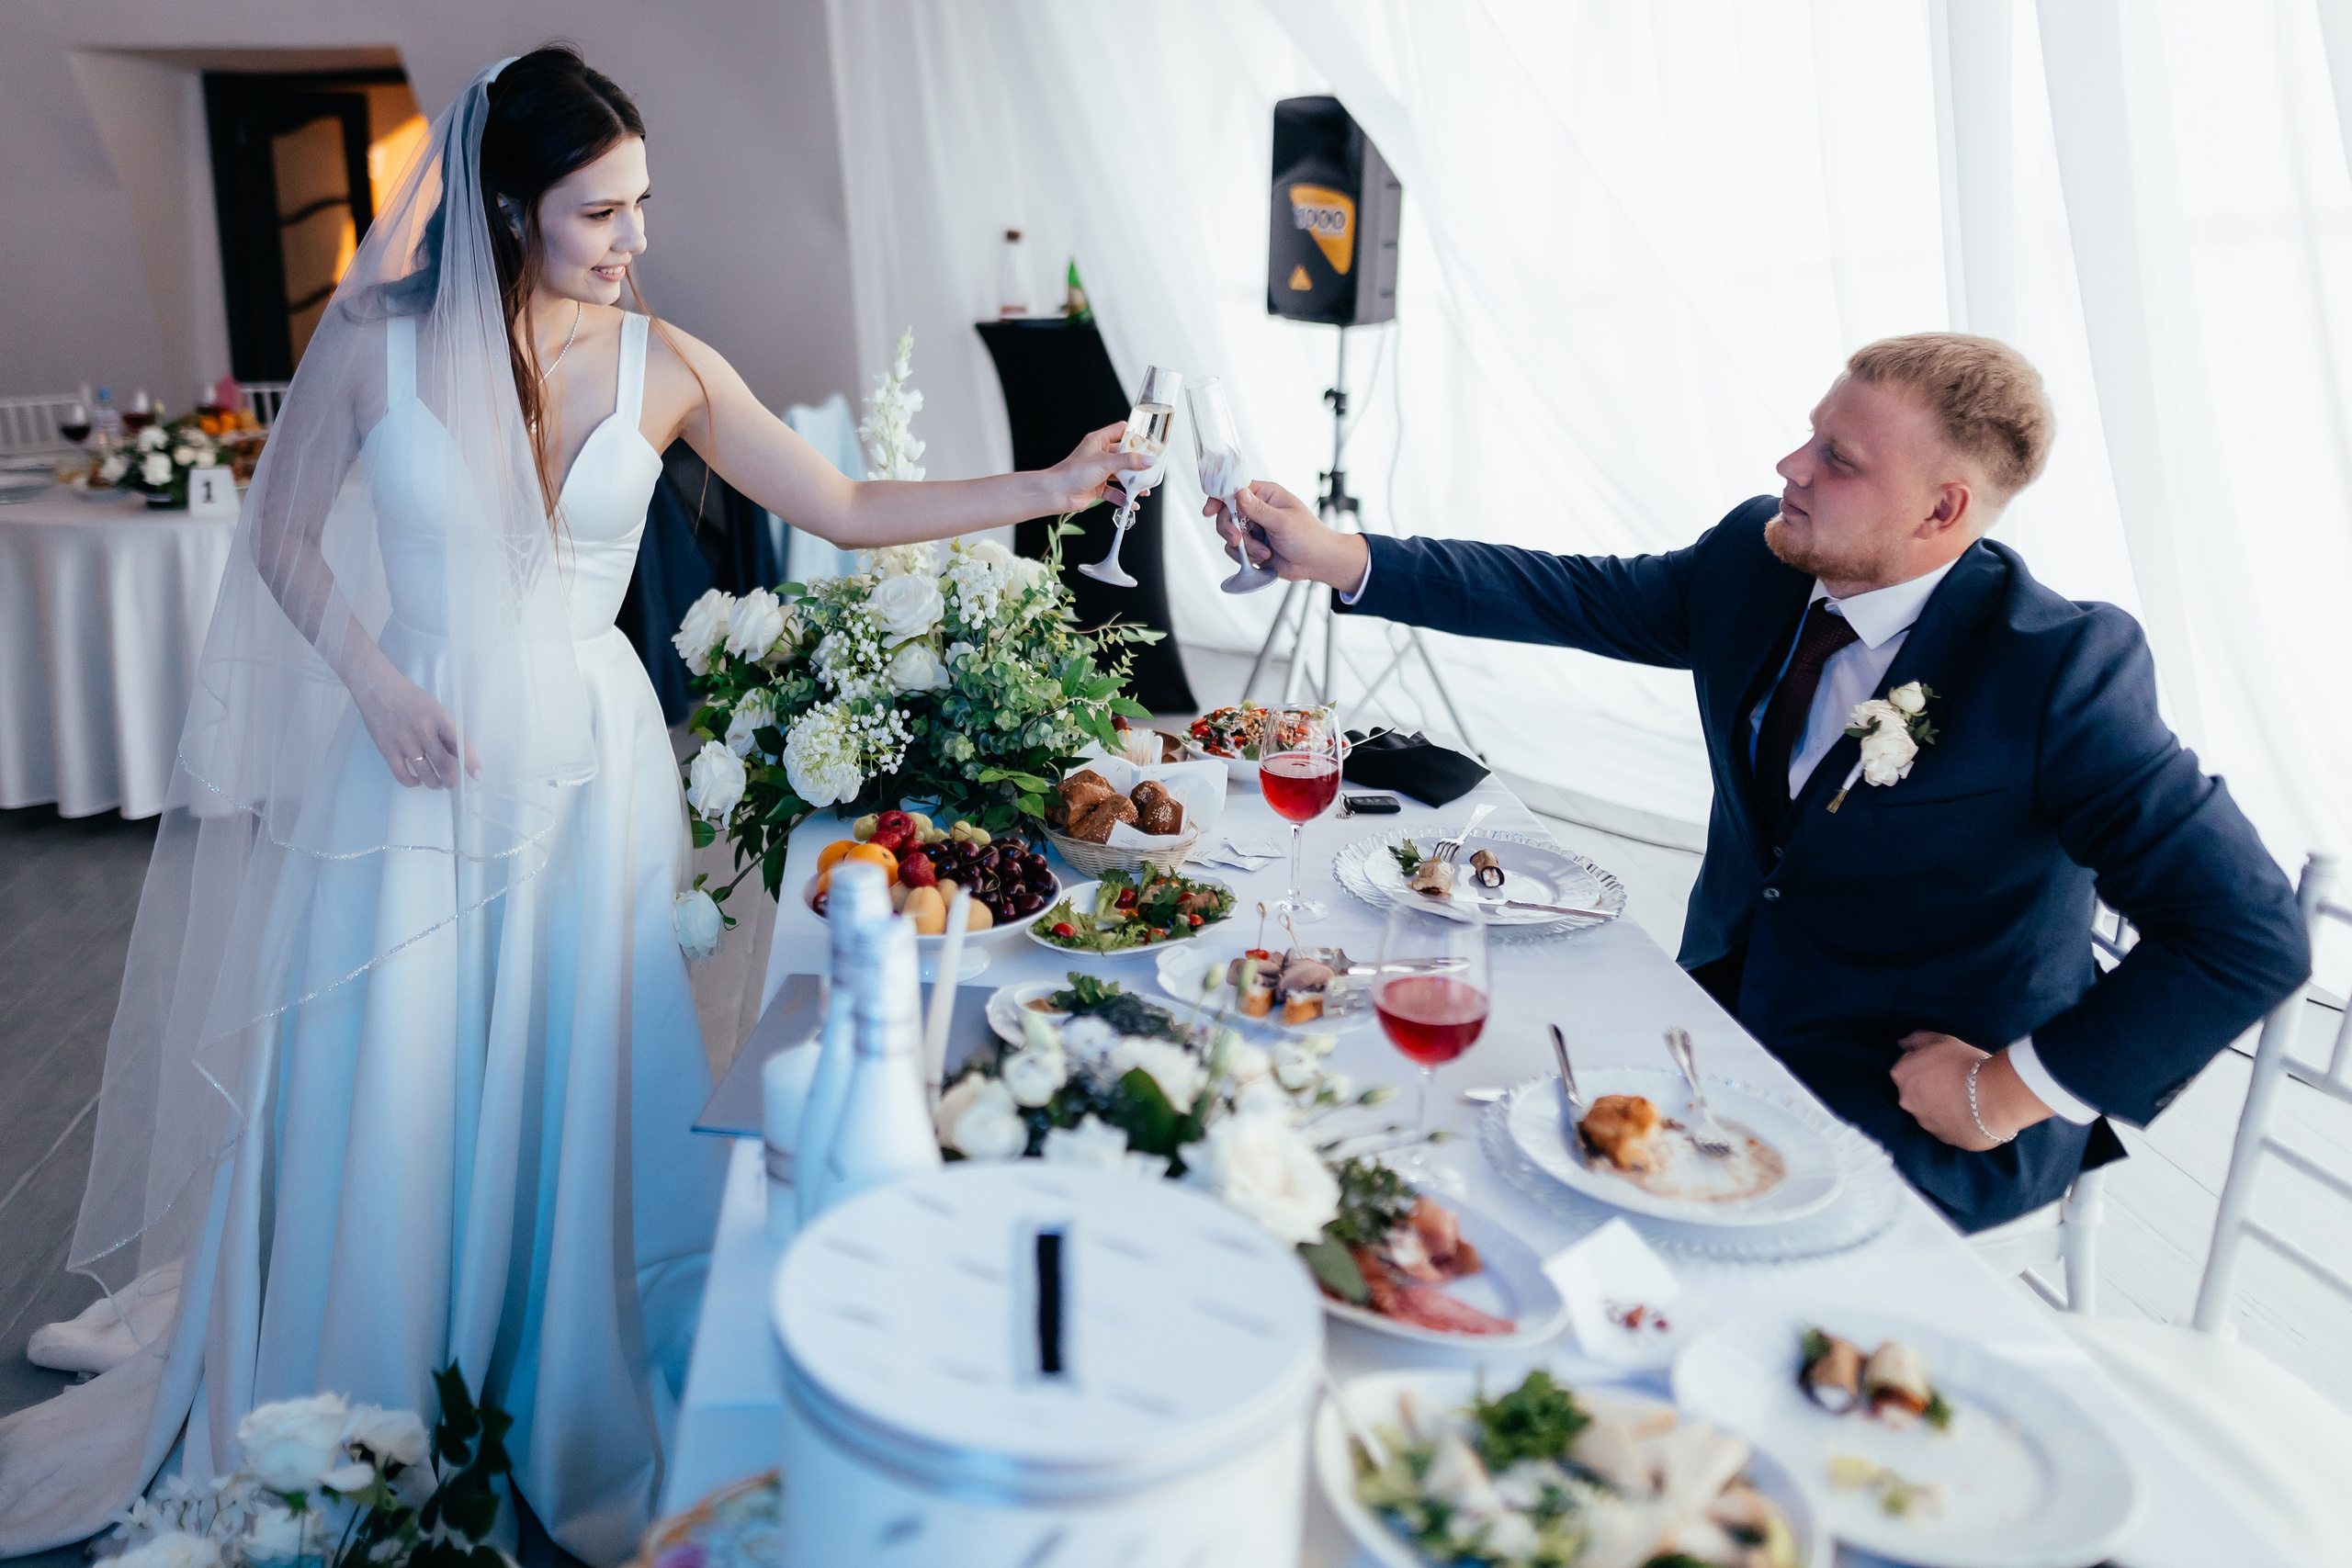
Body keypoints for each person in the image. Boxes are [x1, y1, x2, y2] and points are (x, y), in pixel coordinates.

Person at [0, 49, 1147, 1563]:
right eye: (601, 210)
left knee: (567, 1058)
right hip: (409, 761)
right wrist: (376, 685)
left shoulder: (667, 363)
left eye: (640, 203)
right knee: (404, 1068)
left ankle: (547, 1370)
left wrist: (1051, 486)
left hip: (591, 774)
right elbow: (279, 540)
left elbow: (848, 507)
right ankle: (374, 1376)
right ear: (507, 204)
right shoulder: (373, 344)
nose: (634, 237)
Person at [1211, 333, 2310, 1234]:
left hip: (1913, 1103)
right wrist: (1339, 556)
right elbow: (1568, 595)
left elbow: (2247, 935)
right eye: (1809, 433)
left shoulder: (2056, 670)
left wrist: (2007, 1093)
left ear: (1941, 512)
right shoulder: (1761, 557)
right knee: (1452, 1109)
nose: (1791, 464)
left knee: (1608, 1220)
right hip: (1719, 1012)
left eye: (1839, 458)